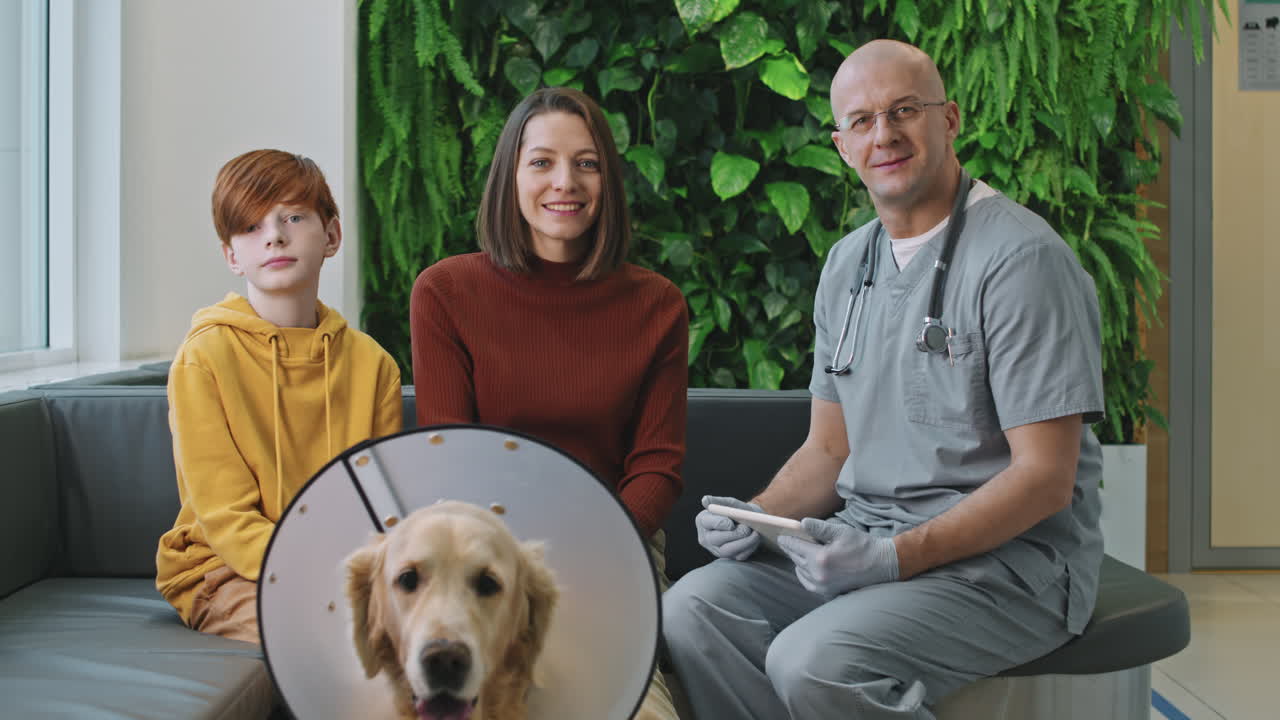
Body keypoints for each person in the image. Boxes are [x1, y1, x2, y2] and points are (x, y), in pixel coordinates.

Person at [662, 39, 1105, 720]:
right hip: (867, 539)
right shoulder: (847, 266)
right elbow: (828, 451)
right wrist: (756, 515)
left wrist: (893, 558)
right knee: (691, 610)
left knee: (815, 662)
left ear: (949, 119)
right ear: (842, 147)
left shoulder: (1022, 260)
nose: (885, 135)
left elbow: (1045, 477)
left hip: (1011, 568)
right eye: (862, 121)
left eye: (905, 110)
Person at [408, 86, 688, 720]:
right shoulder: (446, 291)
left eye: (586, 163)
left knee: (634, 707)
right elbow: (453, 459)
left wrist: (590, 544)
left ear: (609, 179)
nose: (565, 181)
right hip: (484, 549)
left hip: (616, 541)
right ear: (511, 175)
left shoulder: (657, 304)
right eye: (541, 162)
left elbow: (657, 467)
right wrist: (514, 562)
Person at [155, 149, 403, 643]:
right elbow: (226, 518)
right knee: (323, 636)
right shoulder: (204, 357)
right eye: (250, 227)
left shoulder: (374, 365)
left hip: (339, 565)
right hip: (222, 571)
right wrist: (316, 574)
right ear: (231, 255)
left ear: (331, 235)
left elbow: (377, 507)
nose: (274, 235)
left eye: (293, 216)